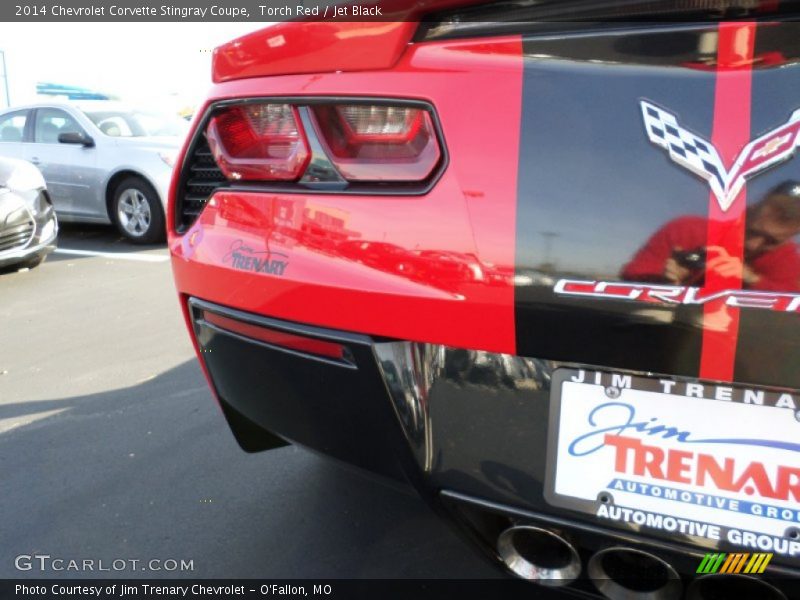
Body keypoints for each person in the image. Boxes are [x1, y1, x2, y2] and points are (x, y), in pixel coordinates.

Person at [622, 181, 800, 291]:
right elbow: (631, 275)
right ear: (747, 213)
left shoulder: (786, 257)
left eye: (771, 241)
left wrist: (752, 279)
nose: (753, 245)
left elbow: (793, 305)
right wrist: (662, 281)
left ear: (790, 238)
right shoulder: (686, 229)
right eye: (752, 231)